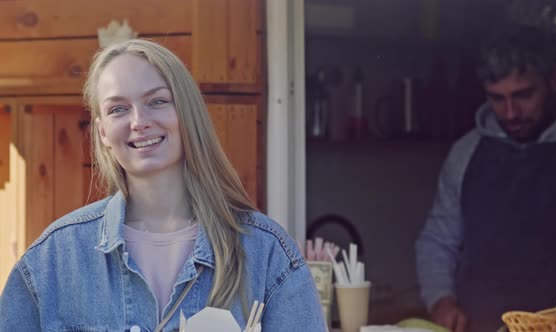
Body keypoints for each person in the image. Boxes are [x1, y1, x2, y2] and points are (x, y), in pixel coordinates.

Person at [0, 39, 326, 331]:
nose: (139, 121)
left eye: (157, 101)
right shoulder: (54, 258)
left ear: (187, 112)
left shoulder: (266, 254)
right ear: (102, 132)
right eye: (118, 109)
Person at [416, 24, 556, 332]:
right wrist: (441, 298)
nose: (510, 113)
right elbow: (437, 240)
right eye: (497, 98)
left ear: (554, 80)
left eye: (523, 95)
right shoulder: (465, 152)